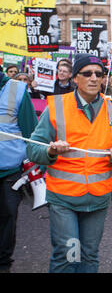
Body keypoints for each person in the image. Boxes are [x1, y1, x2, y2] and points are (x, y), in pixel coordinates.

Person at [27, 53, 112, 273]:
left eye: (99, 74)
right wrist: (51, 150)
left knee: (90, 255)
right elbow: (33, 148)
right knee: (68, 255)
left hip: (98, 198)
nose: (94, 78)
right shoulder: (56, 106)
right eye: (87, 73)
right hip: (64, 199)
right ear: (75, 78)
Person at [0, 72, 38, 273]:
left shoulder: (17, 89)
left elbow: (31, 132)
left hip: (11, 170)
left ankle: (3, 263)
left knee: (7, 217)